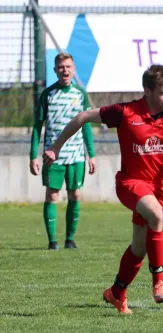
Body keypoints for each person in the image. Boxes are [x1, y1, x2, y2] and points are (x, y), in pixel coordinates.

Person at [43, 64, 163, 315]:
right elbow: (82, 117)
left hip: (158, 187)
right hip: (130, 183)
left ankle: (116, 292)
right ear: (147, 91)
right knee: (156, 215)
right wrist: (55, 147)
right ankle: (159, 280)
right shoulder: (125, 112)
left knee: (139, 246)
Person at [30, 52, 96, 250]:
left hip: (76, 155)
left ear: (73, 69)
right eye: (61, 67)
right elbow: (37, 127)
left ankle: (70, 239)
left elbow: (85, 126)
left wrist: (91, 154)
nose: (65, 70)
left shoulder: (79, 94)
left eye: (68, 67)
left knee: (75, 194)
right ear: (55, 70)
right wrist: (33, 155)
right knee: (52, 196)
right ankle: (52, 242)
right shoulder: (47, 95)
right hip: (53, 156)